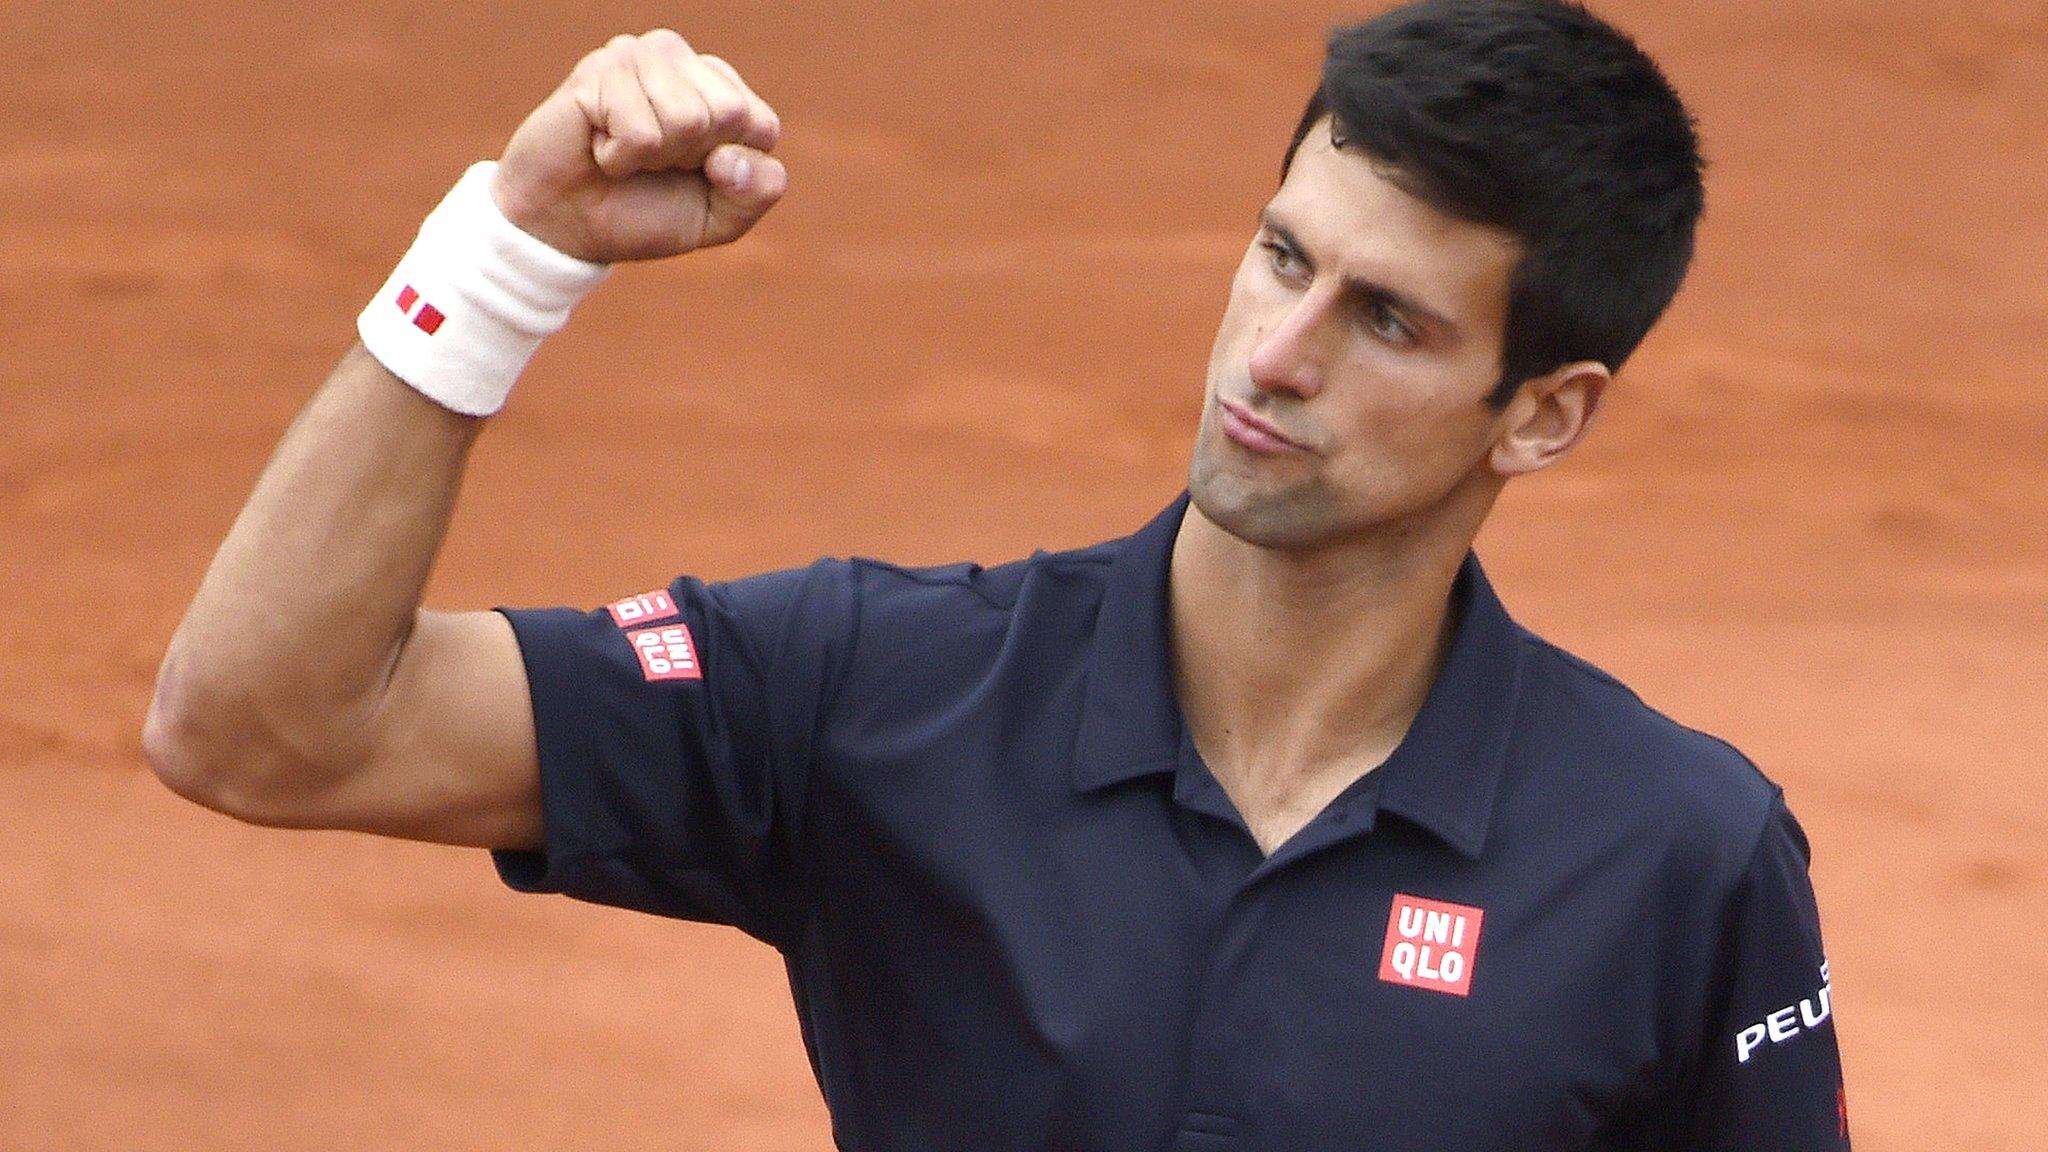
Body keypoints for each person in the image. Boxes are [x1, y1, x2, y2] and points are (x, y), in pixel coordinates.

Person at [143, 0, 1850, 1147]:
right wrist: (501, 254)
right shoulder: (878, 690)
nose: (1275, 354)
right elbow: (266, 727)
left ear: (1542, 415)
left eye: (1385, 318)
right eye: (1280, 259)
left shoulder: (1676, 859)